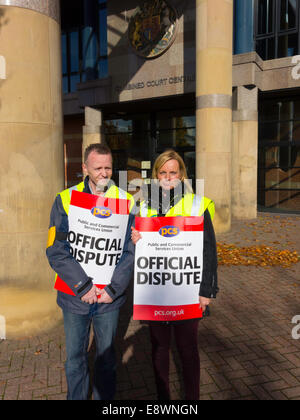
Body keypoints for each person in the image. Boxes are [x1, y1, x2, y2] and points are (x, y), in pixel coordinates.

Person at [46, 143, 135, 400]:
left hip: (109, 298)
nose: (104, 173)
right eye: (98, 168)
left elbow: (130, 252)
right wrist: (83, 286)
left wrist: (114, 289)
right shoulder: (65, 199)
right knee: (75, 359)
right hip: (75, 296)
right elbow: (56, 249)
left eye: (108, 167)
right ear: (85, 167)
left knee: (106, 360)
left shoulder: (126, 201)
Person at [131, 149, 218, 400]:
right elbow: (135, 249)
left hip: (187, 291)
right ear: (156, 175)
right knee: (159, 348)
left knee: (188, 349)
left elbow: (208, 250)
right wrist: (134, 239)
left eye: (173, 172)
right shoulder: (143, 204)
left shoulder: (197, 204)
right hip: (155, 291)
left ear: (181, 175)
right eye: (162, 172)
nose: (168, 177)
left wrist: (206, 291)